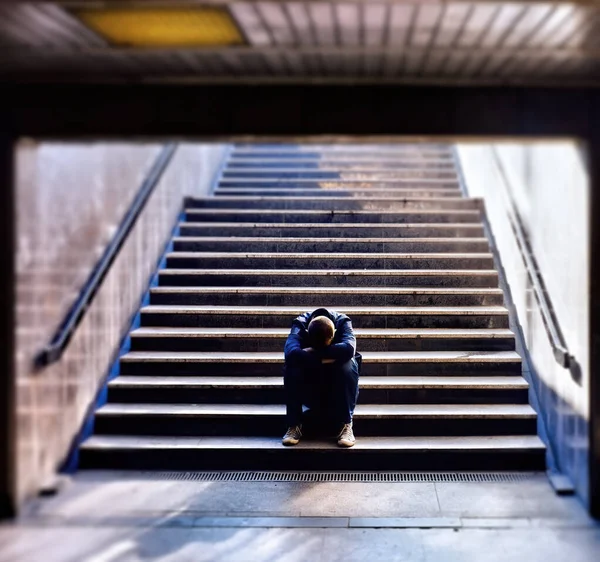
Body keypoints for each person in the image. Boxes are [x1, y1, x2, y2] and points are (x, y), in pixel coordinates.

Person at [282, 307, 360, 448]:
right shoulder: (300, 324)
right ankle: (294, 425)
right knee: (291, 366)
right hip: (311, 379)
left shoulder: (343, 322)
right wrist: (326, 357)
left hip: (335, 380)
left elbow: (349, 349)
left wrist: (313, 352)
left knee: (348, 364)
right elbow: (290, 353)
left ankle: (346, 424)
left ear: (333, 334)